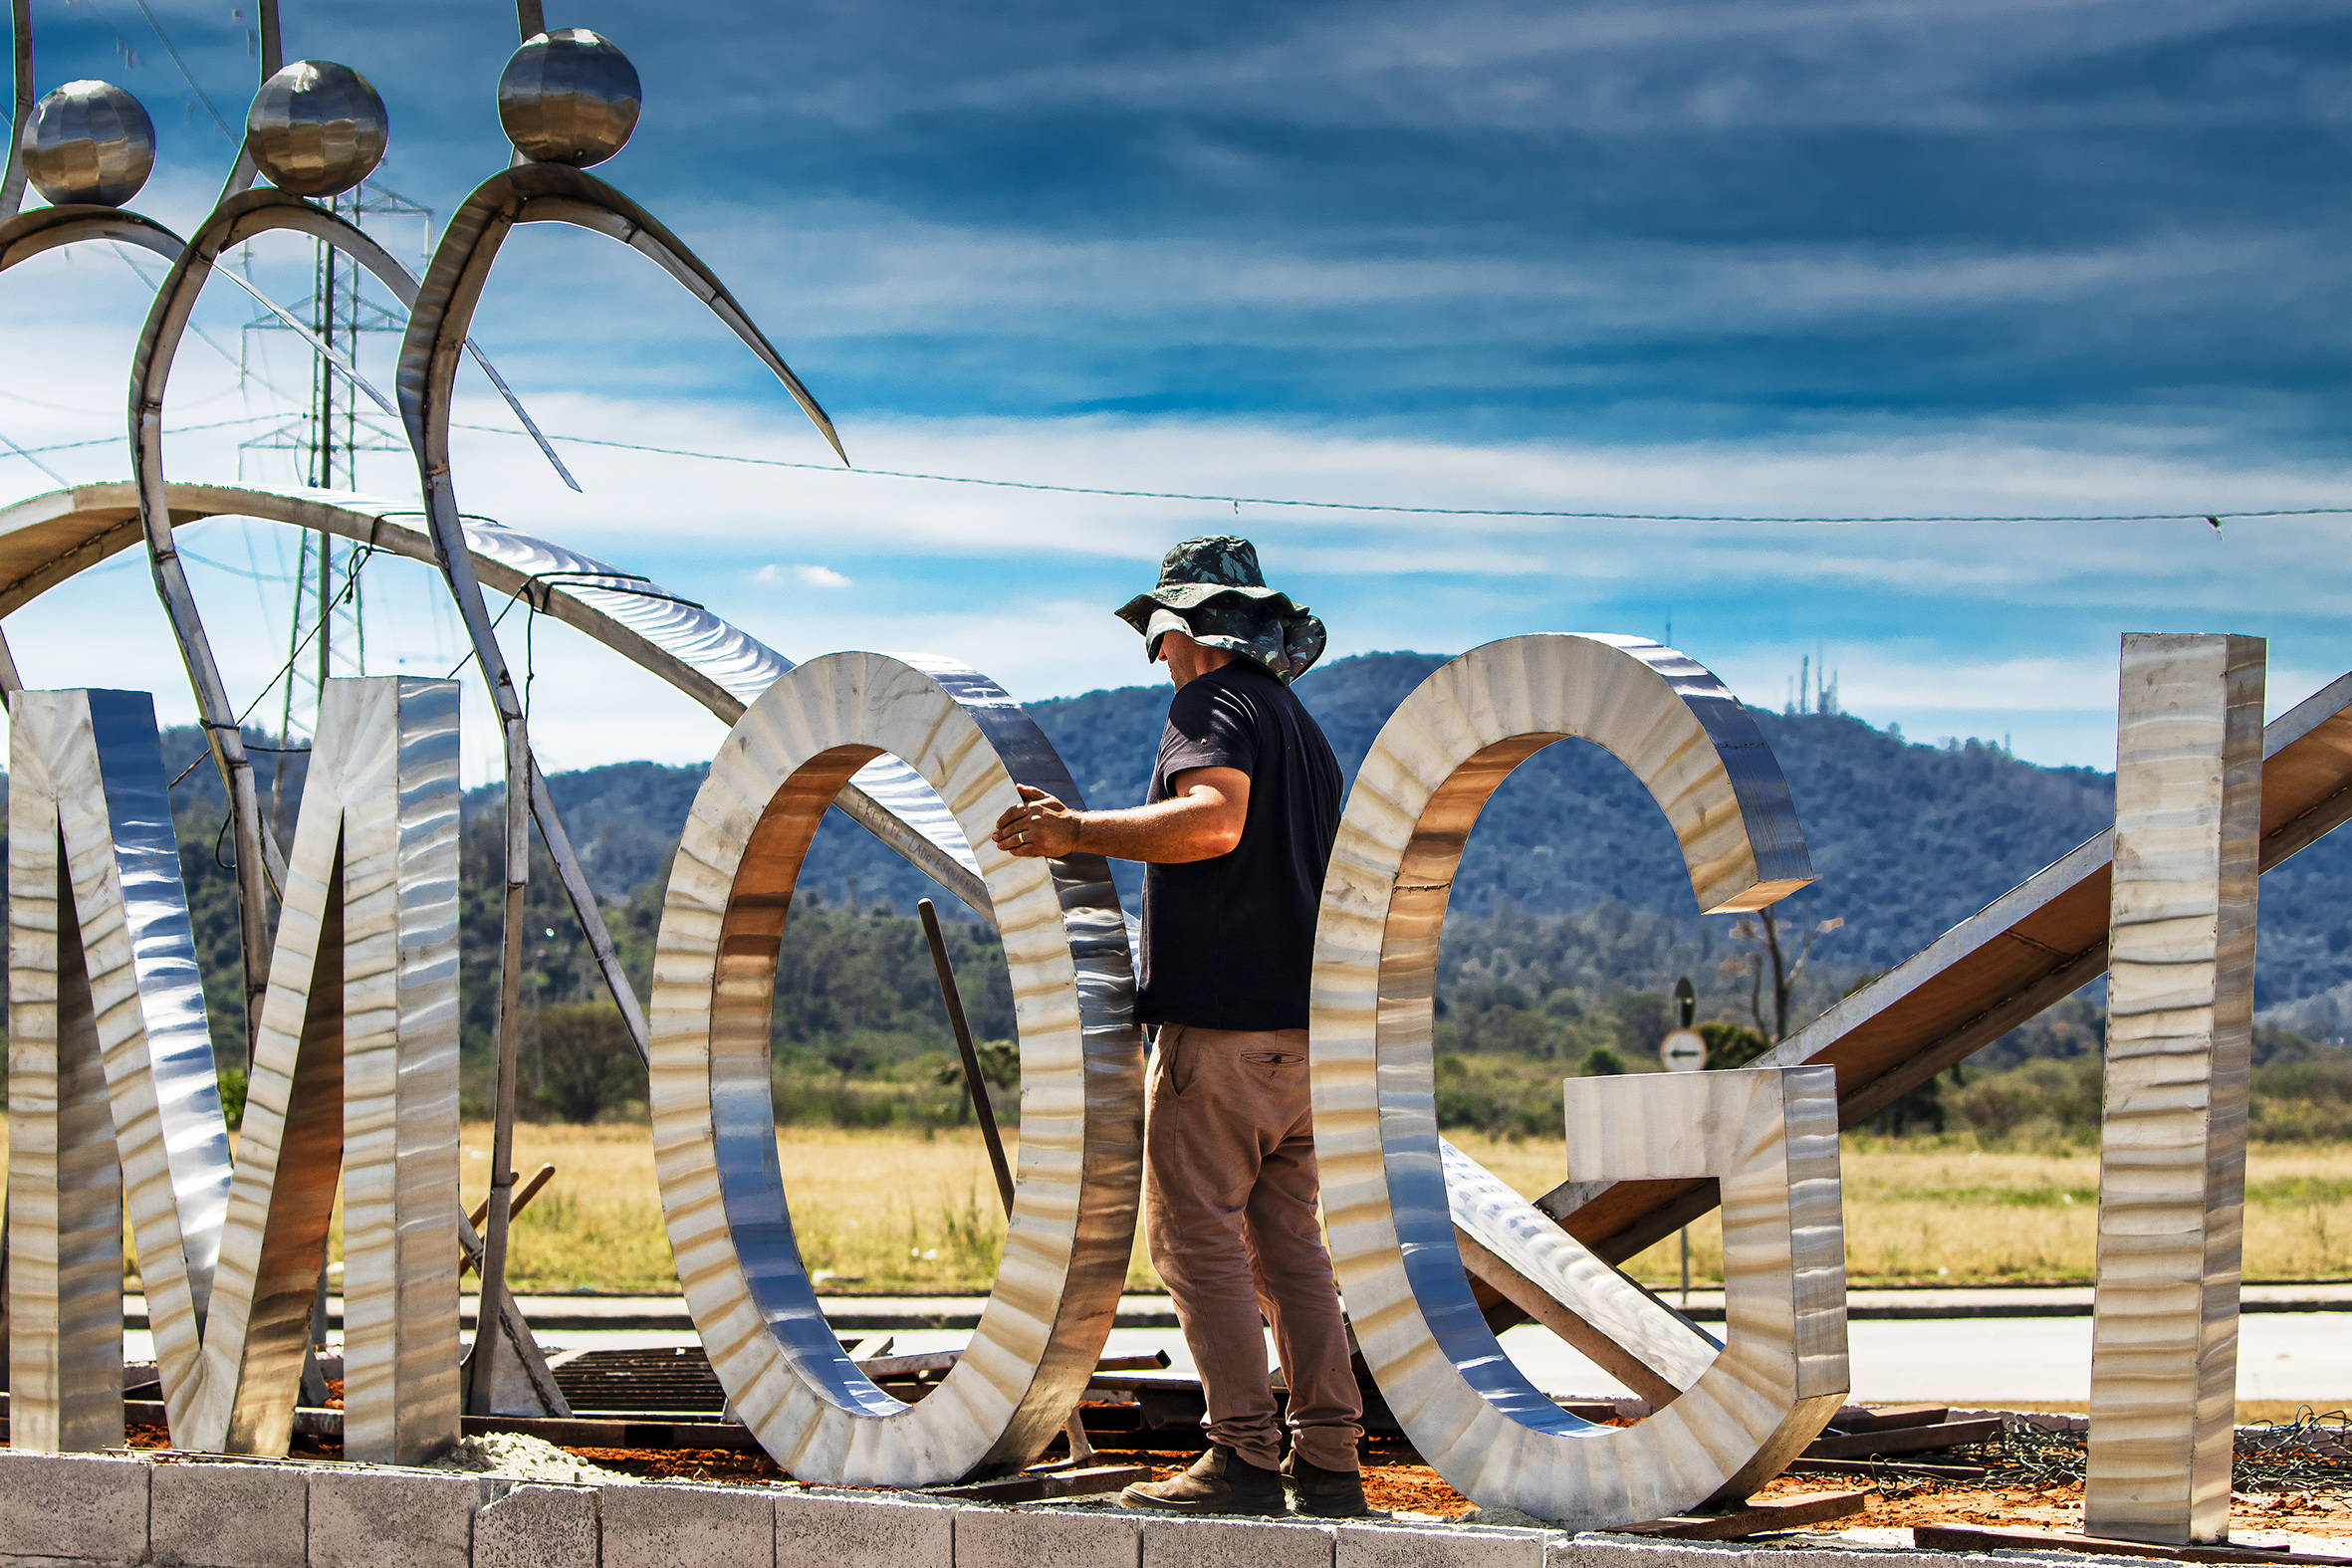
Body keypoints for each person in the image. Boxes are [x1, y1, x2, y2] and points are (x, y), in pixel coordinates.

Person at [992, 536, 1364, 1518]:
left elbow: (1211, 825)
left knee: (1194, 1239)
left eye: (1161, 633)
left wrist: (1071, 833)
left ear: (1183, 628)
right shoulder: (1298, 723)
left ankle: (1240, 1455)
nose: (1157, 654)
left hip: (1223, 1033)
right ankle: (1329, 1461)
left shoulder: (1210, 706)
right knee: (1290, 1250)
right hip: (1307, 1040)